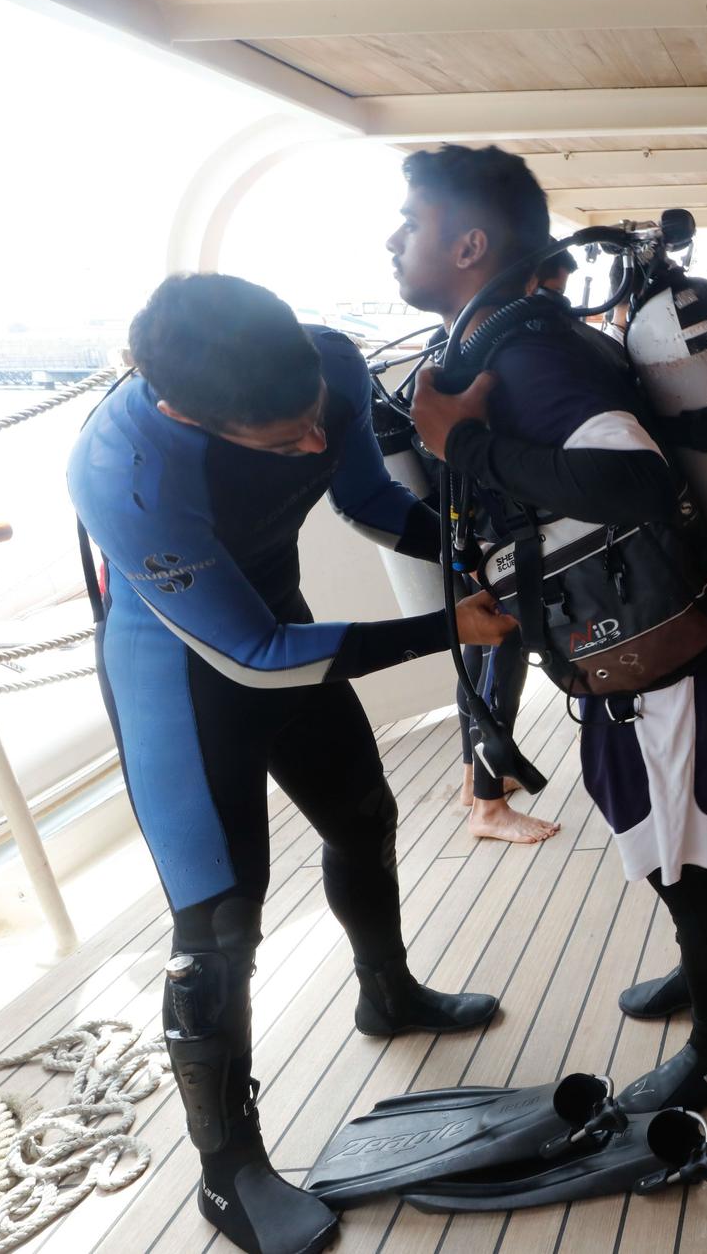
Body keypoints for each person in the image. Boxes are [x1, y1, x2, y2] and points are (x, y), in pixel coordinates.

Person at [68, 273, 518, 1254]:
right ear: (190, 412)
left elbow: (362, 495)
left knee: (364, 813)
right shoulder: (126, 467)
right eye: (281, 443)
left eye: (313, 418)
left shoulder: (332, 366)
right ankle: (228, 1174)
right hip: (184, 678)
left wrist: (467, 550)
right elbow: (251, 658)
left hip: (280, 627)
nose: (312, 444)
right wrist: (445, 624)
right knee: (219, 928)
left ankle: (387, 992)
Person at [391, 144, 707, 1112]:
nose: (394, 240)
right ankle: (699, 967)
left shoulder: (532, 354)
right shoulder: (512, 339)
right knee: (666, 845)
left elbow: (633, 481)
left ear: (470, 243)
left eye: (412, 223)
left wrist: (466, 443)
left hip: (668, 657)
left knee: (692, 864)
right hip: (623, 650)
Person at [449, 245, 581, 846]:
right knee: (502, 654)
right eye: (551, 292)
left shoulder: (460, 346)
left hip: (465, 533)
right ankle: (488, 804)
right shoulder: (516, 353)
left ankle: (475, 778)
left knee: (477, 655)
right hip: (500, 537)